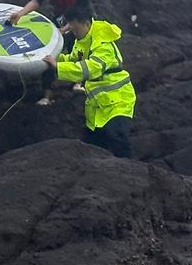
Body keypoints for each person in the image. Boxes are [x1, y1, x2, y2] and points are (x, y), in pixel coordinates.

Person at [44, 9, 135, 158]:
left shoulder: (103, 43)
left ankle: (134, 176)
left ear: (86, 23)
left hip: (118, 102)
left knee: (117, 140)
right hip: (97, 105)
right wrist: (53, 58)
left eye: (74, 27)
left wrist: (57, 67)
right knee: (93, 148)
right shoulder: (82, 42)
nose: (71, 30)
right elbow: (72, 60)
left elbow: (91, 68)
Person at [8, 0, 93, 104]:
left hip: (79, 21)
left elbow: (83, 7)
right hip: (59, 17)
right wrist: (20, 14)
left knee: (78, 50)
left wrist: (68, 28)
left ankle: (79, 83)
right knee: (50, 54)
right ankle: (47, 95)